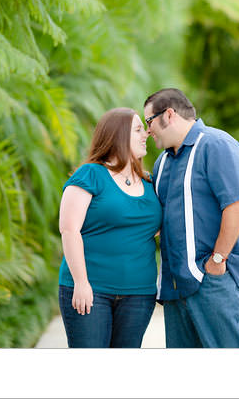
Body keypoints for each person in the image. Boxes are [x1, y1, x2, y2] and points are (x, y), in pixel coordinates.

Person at [144, 88, 239, 348]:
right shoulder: (162, 162)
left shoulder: (216, 145)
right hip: (175, 287)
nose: (148, 130)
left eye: (149, 121)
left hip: (213, 280)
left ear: (169, 115)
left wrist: (217, 262)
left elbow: (237, 204)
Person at [58, 107, 162, 347]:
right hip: (92, 290)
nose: (146, 133)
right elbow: (69, 230)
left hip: (139, 293)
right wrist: (82, 283)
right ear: (117, 135)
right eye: (137, 129)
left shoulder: (150, 182)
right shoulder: (91, 174)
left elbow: (154, 228)